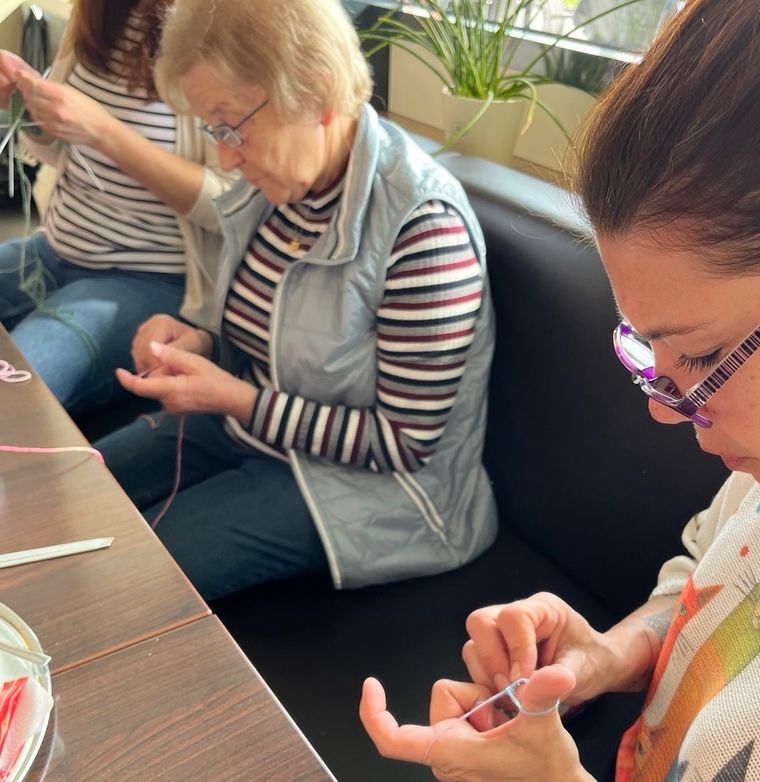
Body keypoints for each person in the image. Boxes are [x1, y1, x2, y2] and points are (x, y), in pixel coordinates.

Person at [360, 0, 760, 782]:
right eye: (651, 354)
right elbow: (709, 572)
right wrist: (603, 657)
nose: (666, 408)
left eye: (701, 358)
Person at [93, 0, 497, 600]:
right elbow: (271, 335)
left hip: (374, 492)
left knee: (127, 581)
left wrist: (234, 398)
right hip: (252, 429)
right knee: (72, 493)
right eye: (214, 130)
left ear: (315, 92)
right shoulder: (282, 187)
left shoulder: (422, 227)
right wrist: (196, 339)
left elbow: (405, 443)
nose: (225, 157)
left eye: (232, 127)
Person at [0, 0, 230, 414]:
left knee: (11, 401)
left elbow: (231, 207)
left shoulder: (220, 30)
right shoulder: (100, 14)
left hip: (151, 281)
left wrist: (105, 132)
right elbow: (61, 152)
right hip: (54, 251)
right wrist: (29, 103)